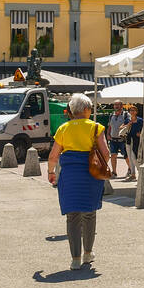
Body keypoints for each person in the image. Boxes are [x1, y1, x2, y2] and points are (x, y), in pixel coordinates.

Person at [46, 93, 109, 270]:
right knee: (89, 213)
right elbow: (105, 153)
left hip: (70, 176)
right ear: (87, 110)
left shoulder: (64, 128)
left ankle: (75, 258)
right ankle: (88, 253)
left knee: (72, 216)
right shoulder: (96, 127)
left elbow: (53, 155)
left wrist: (51, 172)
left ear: (73, 111)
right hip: (91, 175)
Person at [107, 101, 128, 179]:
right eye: (115, 105)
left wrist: (123, 127)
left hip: (122, 139)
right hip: (113, 139)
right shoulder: (111, 115)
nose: (116, 106)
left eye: (118, 105)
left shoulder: (126, 114)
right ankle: (114, 172)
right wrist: (108, 134)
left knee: (126, 156)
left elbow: (128, 124)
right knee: (113, 155)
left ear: (121, 106)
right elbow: (109, 126)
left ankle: (130, 169)